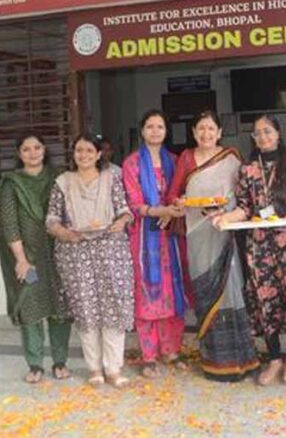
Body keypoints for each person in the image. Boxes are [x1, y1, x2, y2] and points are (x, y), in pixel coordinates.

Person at [212, 114, 286, 386]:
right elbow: (244, 207)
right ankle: (274, 358)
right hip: (258, 245)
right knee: (265, 299)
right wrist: (224, 218)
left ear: (278, 133)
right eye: (258, 133)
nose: (263, 137)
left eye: (268, 131)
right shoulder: (247, 169)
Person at [166, 110, 259, 381]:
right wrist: (180, 202)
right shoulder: (186, 158)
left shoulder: (231, 158)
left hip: (225, 232)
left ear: (219, 133)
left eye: (211, 129)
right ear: (194, 132)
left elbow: (244, 195)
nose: (206, 134)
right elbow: (173, 194)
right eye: (201, 129)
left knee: (231, 290)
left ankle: (241, 359)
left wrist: (224, 210)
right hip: (198, 235)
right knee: (206, 294)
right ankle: (214, 361)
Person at [45, 134, 135, 388]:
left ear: (98, 154)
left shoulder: (111, 178)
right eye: (79, 150)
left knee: (113, 307)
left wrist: (121, 221)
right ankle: (94, 368)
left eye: (88, 150)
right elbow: (51, 219)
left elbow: (124, 210)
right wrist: (64, 233)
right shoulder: (63, 182)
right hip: (75, 252)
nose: (83, 155)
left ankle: (114, 368)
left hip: (110, 250)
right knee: (86, 309)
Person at [0, 133, 72, 384]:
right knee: (30, 306)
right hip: (27, 256)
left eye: (37, 147)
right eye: (26, 149)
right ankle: (35, 363)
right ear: (19, 154)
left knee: (59, 306)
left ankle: (60, 361)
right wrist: (21, 259)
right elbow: (10, 223)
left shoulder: (58, 178)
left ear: (44, 150)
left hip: (58, 253)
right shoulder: (12, 183)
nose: (32, 153)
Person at [122, 110, 188, 378]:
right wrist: (159, 211)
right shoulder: (132, 163)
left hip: (171, 237)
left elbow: (183, 193)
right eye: (150, 126)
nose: (155, 131)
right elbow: (133, 203)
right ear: (142, 131)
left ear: (166, 131)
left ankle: (171, 350)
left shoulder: (175, 161)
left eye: (160, 126)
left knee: (172, 291)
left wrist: (174, 210)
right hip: (144, 238)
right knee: (147, 292)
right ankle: (148, 355)